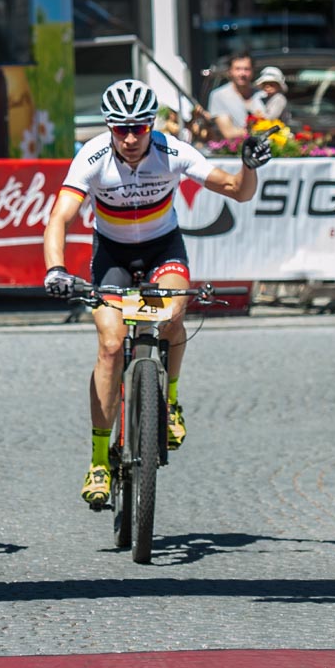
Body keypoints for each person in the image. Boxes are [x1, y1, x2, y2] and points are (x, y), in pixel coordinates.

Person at [41, 79, 274, 509]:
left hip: (163, 246)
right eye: (121, 128)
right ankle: (97, 461)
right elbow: (60, 218)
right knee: (111, 345)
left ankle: (171, 402)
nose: (130, 138)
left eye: (140, 128)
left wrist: (249, 167)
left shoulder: (173, 152)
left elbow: (237, 191)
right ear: (109, 127)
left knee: (170, 316)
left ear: (152, 125)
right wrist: (55, 268)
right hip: (110, 251)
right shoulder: (91, 157)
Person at [207, 52, 263, 141]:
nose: (242, 73)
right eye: (238, 69)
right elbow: (228, 133)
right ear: (230, 71)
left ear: (253, 71)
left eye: (246, 69)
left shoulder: (262, 95)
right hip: (233, 153)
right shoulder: (219, 96)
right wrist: (262, 129)